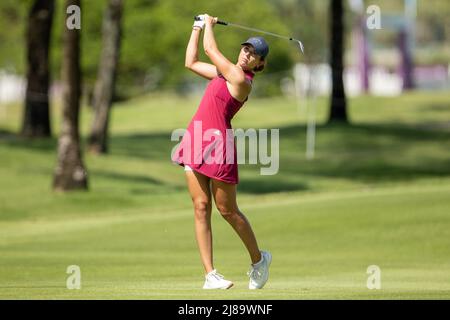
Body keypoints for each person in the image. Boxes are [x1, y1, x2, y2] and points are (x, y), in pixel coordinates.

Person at [172, 14, 271, 290]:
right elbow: (190, 62)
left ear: (260, 64)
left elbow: (210, 50)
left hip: (219, 147)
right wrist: (195, 26)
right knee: (200, 207)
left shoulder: (241, 79)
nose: (247, 54)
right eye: (246, 49)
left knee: (227, 210)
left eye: (254, 54)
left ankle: (259, 259)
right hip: (195, 139)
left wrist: (208, 25)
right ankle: (210, 275)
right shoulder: (224, 72)